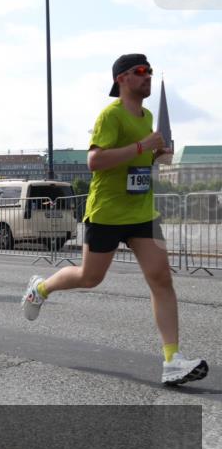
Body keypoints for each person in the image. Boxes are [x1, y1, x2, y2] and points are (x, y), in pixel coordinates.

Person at [21, 53, 208, 386]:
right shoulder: (111, 115)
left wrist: (158, 154)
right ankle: (41, 288)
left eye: (150, 71)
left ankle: (172, 361)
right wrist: (141, 147)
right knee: (90, 277)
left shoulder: (147, 114)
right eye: (141, 71)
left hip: (141, 212)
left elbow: (145, 157)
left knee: (161, 278)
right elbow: (95, 161)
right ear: (121, 79)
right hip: (107, 212)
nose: (148, 76)